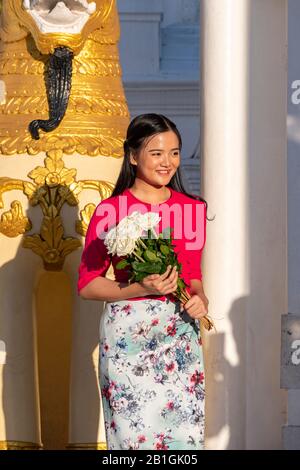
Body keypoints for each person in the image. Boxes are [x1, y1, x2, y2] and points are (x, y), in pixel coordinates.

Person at [77, 113, 209, 450]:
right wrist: (142, 289)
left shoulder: (193, 209)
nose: (168, 163)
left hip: (178, 338)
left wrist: (200, 300)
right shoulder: (110, 210)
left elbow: (193, 277)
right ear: (133, 155)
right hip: (127, 343)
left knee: (183, 440)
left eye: (175, 153)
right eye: (157, 153)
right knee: (131, 441)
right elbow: (88, 284)